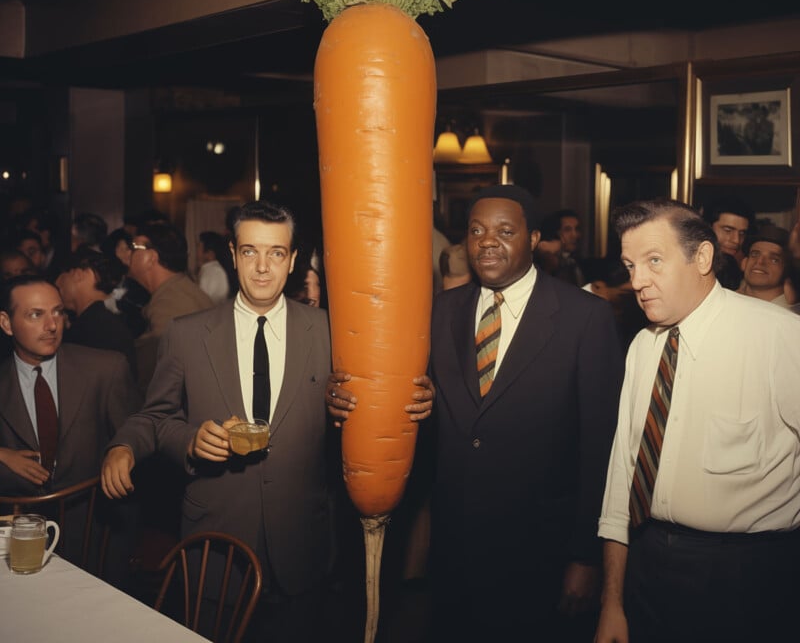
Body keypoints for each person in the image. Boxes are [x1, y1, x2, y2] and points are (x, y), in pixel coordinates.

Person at [101, 200, 433, 643]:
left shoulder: (330, 331)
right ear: (233, 255)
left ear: (292, 260)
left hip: (303, 548)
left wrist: (415, 396)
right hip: (215, 547)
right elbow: (156, 415)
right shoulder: (186, 334)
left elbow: (372, 391)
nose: (262, 267)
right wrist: (145, 444)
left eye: (276, 253)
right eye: (250, 252)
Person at [329, 184, 623, 642]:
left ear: (533, 238)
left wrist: (586, 558)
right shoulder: (438, 312)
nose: (488, 241)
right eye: (477, 230)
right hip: (455, 550)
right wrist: (347, 397)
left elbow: (601, 447)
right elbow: (407, 403)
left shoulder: (584, 318)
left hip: (540, 552)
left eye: (505, 231)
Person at [595, 198, 800, 643]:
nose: (637, 281)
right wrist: (612, 602)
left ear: (703, 257)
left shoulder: (778, 336)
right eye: (630, 265)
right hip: (647, 567)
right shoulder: (642, 347)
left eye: (653, 261)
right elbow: (622, 478)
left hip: (748, 577)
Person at [0, 275, 141, 582]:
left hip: (98, 542)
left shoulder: (105, 369)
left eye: (58, 312)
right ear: (6, 323)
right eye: (36, 315)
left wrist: (124, 449)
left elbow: (139, 435)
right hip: (20, 550)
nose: (52, 325)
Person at [127, 221, 213, 392]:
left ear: (151, 257)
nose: (129, 253)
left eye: (135, 247)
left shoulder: (171, 303)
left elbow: (160, 376)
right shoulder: (179, 290)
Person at [55, 249, 138, 372]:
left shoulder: (94, 326)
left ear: (78, 274)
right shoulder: (114, 317)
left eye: (62, 276)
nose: (57, 283)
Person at [737, 224, 798, 311]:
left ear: (786, 269)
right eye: (754, 255)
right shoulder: (726, 299)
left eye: (774, 260)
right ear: (744, 263)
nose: (760, 262)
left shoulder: (789, 316)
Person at [196, 230, 232, 304]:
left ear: (210, 253)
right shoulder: (208, 270)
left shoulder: (215, 272)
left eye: (198, 246)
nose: (196, 250)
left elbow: (205, 303)